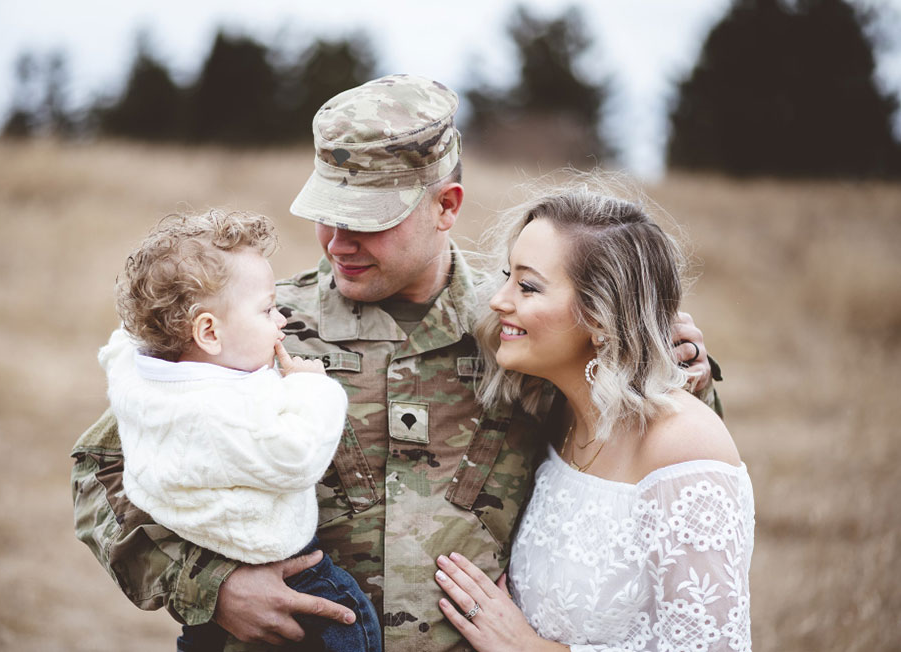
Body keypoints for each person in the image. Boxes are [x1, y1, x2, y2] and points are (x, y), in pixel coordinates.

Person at [71, 74, 721, 652]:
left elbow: (644, 478)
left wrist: (674, 370)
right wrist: (213, 587)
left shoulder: (525, 334)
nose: (337, 241)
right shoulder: (254, 330)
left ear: (447, 206)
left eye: (367, 220)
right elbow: (103, 468)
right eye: (327, 212)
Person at [431, 184, 753, 651]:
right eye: (507, 276)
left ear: (601, 317)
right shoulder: (558, 415)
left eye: (527, 286)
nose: (498, 300)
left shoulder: (683, 447)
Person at [99, 210, 381, 652]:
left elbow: (119, 350)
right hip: (285, 562)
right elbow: (297, 455)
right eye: (269, 310)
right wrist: (312, 386)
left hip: (205, 571)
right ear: (208, 331)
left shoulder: (141, 377)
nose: (282, 321)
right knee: (351, 620)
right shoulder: (225, 413)